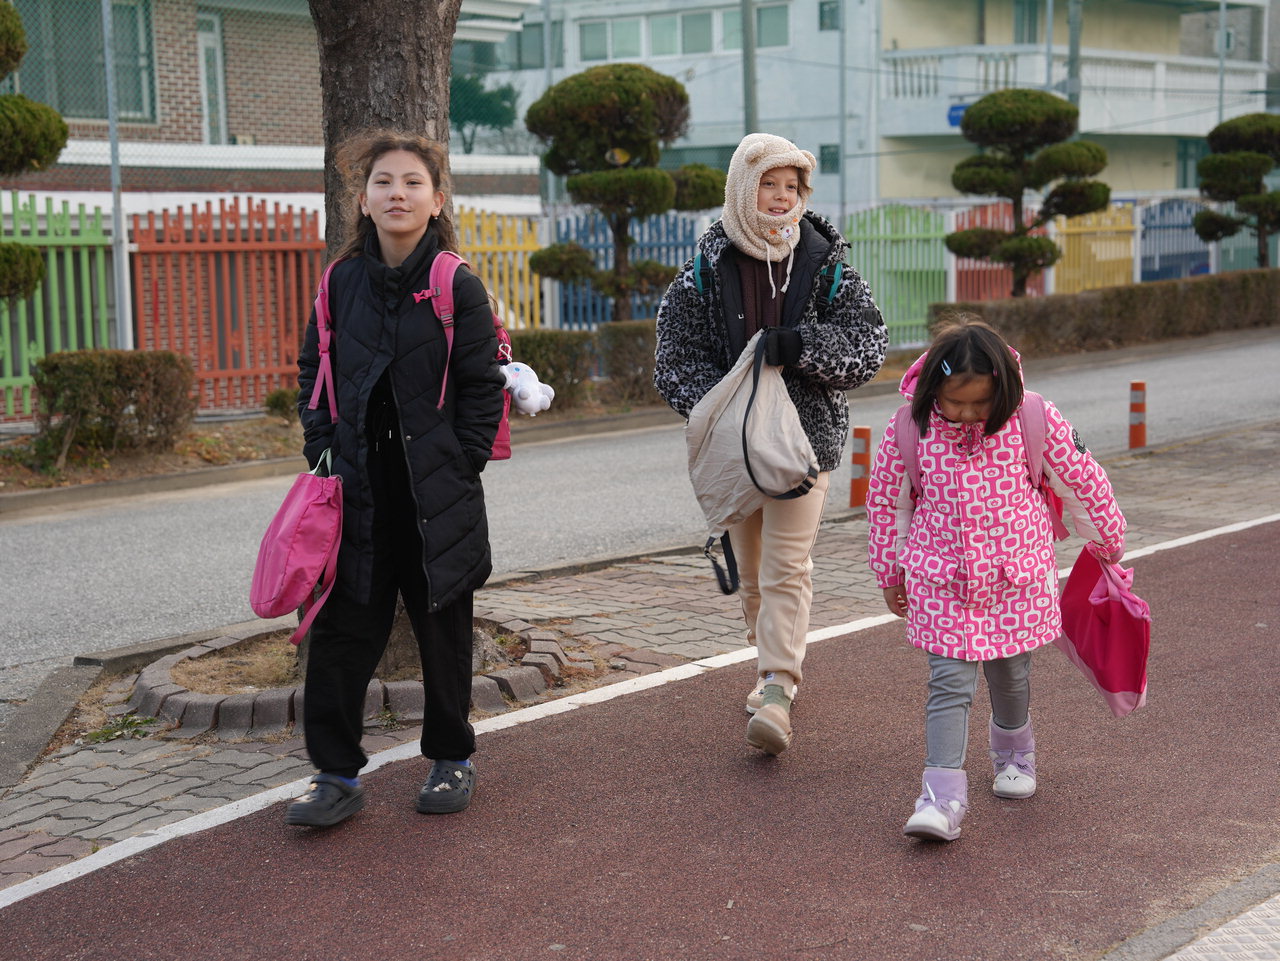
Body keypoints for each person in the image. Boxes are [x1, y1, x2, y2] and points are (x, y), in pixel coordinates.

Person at [287, 130, 506, 827]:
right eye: (384, 182)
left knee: (443, 630)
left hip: (433, 494)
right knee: (343, 632)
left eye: (413, 182)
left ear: (436, 199)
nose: (397, 194)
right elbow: (313, 372)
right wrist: (322, 448)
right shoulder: (340, 282)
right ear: (363, 199)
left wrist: (460, 460)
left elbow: (482, 386)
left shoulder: (454, 284)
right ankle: (334, 774)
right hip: (355, 493)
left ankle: (450, 759)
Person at [654, 132, 888, 756]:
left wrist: (802, 349)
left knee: (788, 566)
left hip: (805, 445)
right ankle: (768, 670)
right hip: (735, 451)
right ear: (741, 187)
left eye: (793, 187)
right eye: (769, 184)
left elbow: (869, 345)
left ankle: (779, 687)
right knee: (753, 576)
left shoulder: (827, 261)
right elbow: (673, 363)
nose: (782, 198)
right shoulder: (703, 271)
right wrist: (726, 406)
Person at [866, 315, 1126, 841]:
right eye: (952, 402)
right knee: (948, 684)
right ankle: (942, 797)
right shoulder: (908, 429)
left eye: (978, 403)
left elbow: (1081, 478)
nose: (964, 414)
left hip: (1017, 578)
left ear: (1002, 389)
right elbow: (886, 505)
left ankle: (1015, 755)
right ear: (931, 390)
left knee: (1011, 674)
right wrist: (890, 571)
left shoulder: (1035, 419)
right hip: (942, 581)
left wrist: (1106, 540)